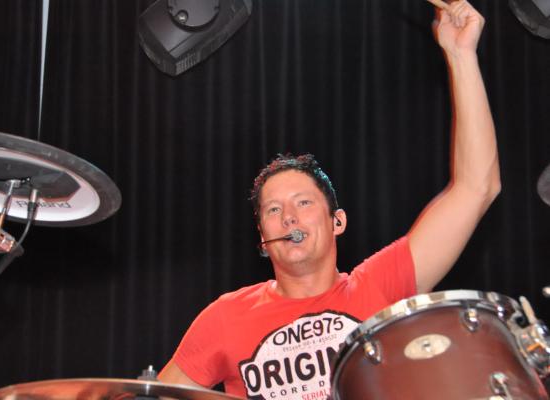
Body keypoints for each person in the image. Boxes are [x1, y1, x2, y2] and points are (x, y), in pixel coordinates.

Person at [158, 1, 501, 399]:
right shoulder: (225, 316)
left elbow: (477, 188)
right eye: (273, 210)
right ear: (262, 236)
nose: (289, 217)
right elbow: (148, 395)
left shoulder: (378, 286)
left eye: (303, 203)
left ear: (337, 221)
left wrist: (460, 54)